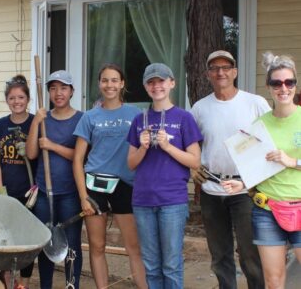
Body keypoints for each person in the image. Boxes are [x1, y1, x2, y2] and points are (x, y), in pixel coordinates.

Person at [222, 51, 301, 288]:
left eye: (289, 82)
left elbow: (288, 162)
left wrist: (293, 162)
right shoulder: (259, 125)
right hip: (267, 209)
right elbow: (257, 168)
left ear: (295, 84)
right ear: (269, 87)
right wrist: (243, 183)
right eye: (277, 83)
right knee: (273, 281)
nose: (283, 88)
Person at [191, 50, 268, 289]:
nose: (220, 72)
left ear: (234, 71)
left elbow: (270, 144)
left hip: (246, 190)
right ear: (207, 74)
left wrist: (256, 181)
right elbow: (192, 146)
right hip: (212, 189)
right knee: (220, 254)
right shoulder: (200, 108)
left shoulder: (255, 103)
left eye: (226, 67)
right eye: (214, 68)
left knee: (249, 252)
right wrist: (194, 169)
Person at [127, 63, 202, 288]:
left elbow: (195, 161)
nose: (156, 86)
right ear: (145, 87)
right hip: (143, 200)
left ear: (172, 83)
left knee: (171, 264)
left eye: (161, 81)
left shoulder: (183, 118)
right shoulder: (140, 120)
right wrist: (142, 147)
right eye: (151, 82)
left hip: (172, 200)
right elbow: (131, 163)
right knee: (150, 264)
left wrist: (168, 147)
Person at [73, 63, 147, 288]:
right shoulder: (89, 116)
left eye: (114, 80)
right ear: (99, 84)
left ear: (122, 83)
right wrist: (84, 196)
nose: (110, 85)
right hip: (95, 186)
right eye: (105, 80)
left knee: (133, 247)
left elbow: (145, 150)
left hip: (126, 185)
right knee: (97, 246)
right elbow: (77, 159)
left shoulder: (135, 114)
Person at [26, 70, 83, 289]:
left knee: (72, 245)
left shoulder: (80, 119)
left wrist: (53, 146)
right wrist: (35, 123)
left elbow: (80, 157)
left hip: (70, 193)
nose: (58, 93)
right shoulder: (42, 118)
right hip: (44, 194)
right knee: (46, 244)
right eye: (53, 88)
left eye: (63, 88)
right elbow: (32, 153)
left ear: (71, 92)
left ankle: (72, 285)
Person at [0, 74, 36, 289]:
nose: (17, 102)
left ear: (28, 99)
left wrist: (37, 186)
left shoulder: (35, 123)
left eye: (21, 97)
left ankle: (23, 282)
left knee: (26, 239)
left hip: (29, 193)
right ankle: (2, 280)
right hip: (7, 192)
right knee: (3, 239)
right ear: (7, 100)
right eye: (12, 98)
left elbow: (41, 159)